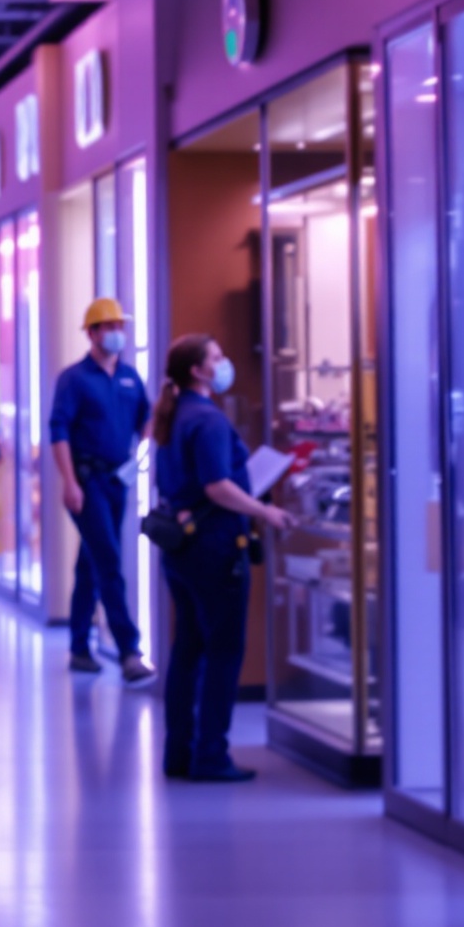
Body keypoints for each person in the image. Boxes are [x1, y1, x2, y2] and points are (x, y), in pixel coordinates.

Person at [151, 333, 292, 784]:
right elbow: (217, 486)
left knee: (189, 648)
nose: (224, 362)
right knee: (224, 651)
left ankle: (179, 753)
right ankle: (211, 755)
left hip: (183, 550)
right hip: (214, 548)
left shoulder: (175, 418)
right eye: (216, 356)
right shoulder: (207, 420)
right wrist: (264, 511)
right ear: (198, 370)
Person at [48, 298, 156, 685]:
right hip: (87, 482)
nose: (115, 333)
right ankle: (129, 651)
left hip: (117, 481)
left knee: (90, 563)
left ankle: (79, 647)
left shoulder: (129, 376)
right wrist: (70, 482)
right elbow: (58, 431)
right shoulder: (74, 379)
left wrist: (139, 449)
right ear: (91, 333)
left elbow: (148, 416)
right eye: (107, 326)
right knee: (109, 561)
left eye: (119, 326)